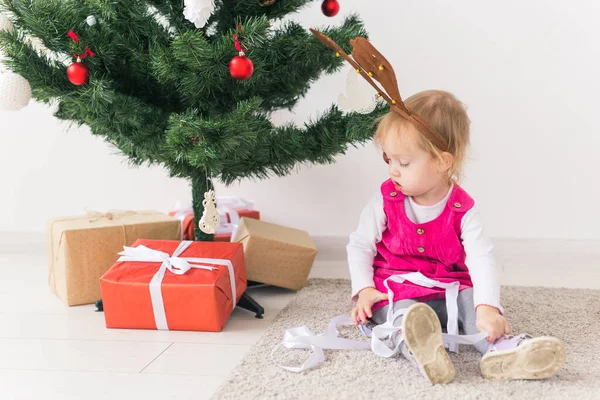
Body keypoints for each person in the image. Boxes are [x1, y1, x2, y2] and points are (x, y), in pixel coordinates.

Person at [347, 90, 566, 384]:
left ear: (441, 161)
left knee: (472, 299)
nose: (393, 170)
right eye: (389, 159)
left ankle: (498, 347)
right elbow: (360, 244)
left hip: (449, 288)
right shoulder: (386, 198)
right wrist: (363, 290)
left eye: (404, 162)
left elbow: (481, 258)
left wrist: (487, 307)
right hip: (398, 289)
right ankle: (419, 347)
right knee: (398, 312)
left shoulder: (463, 209)